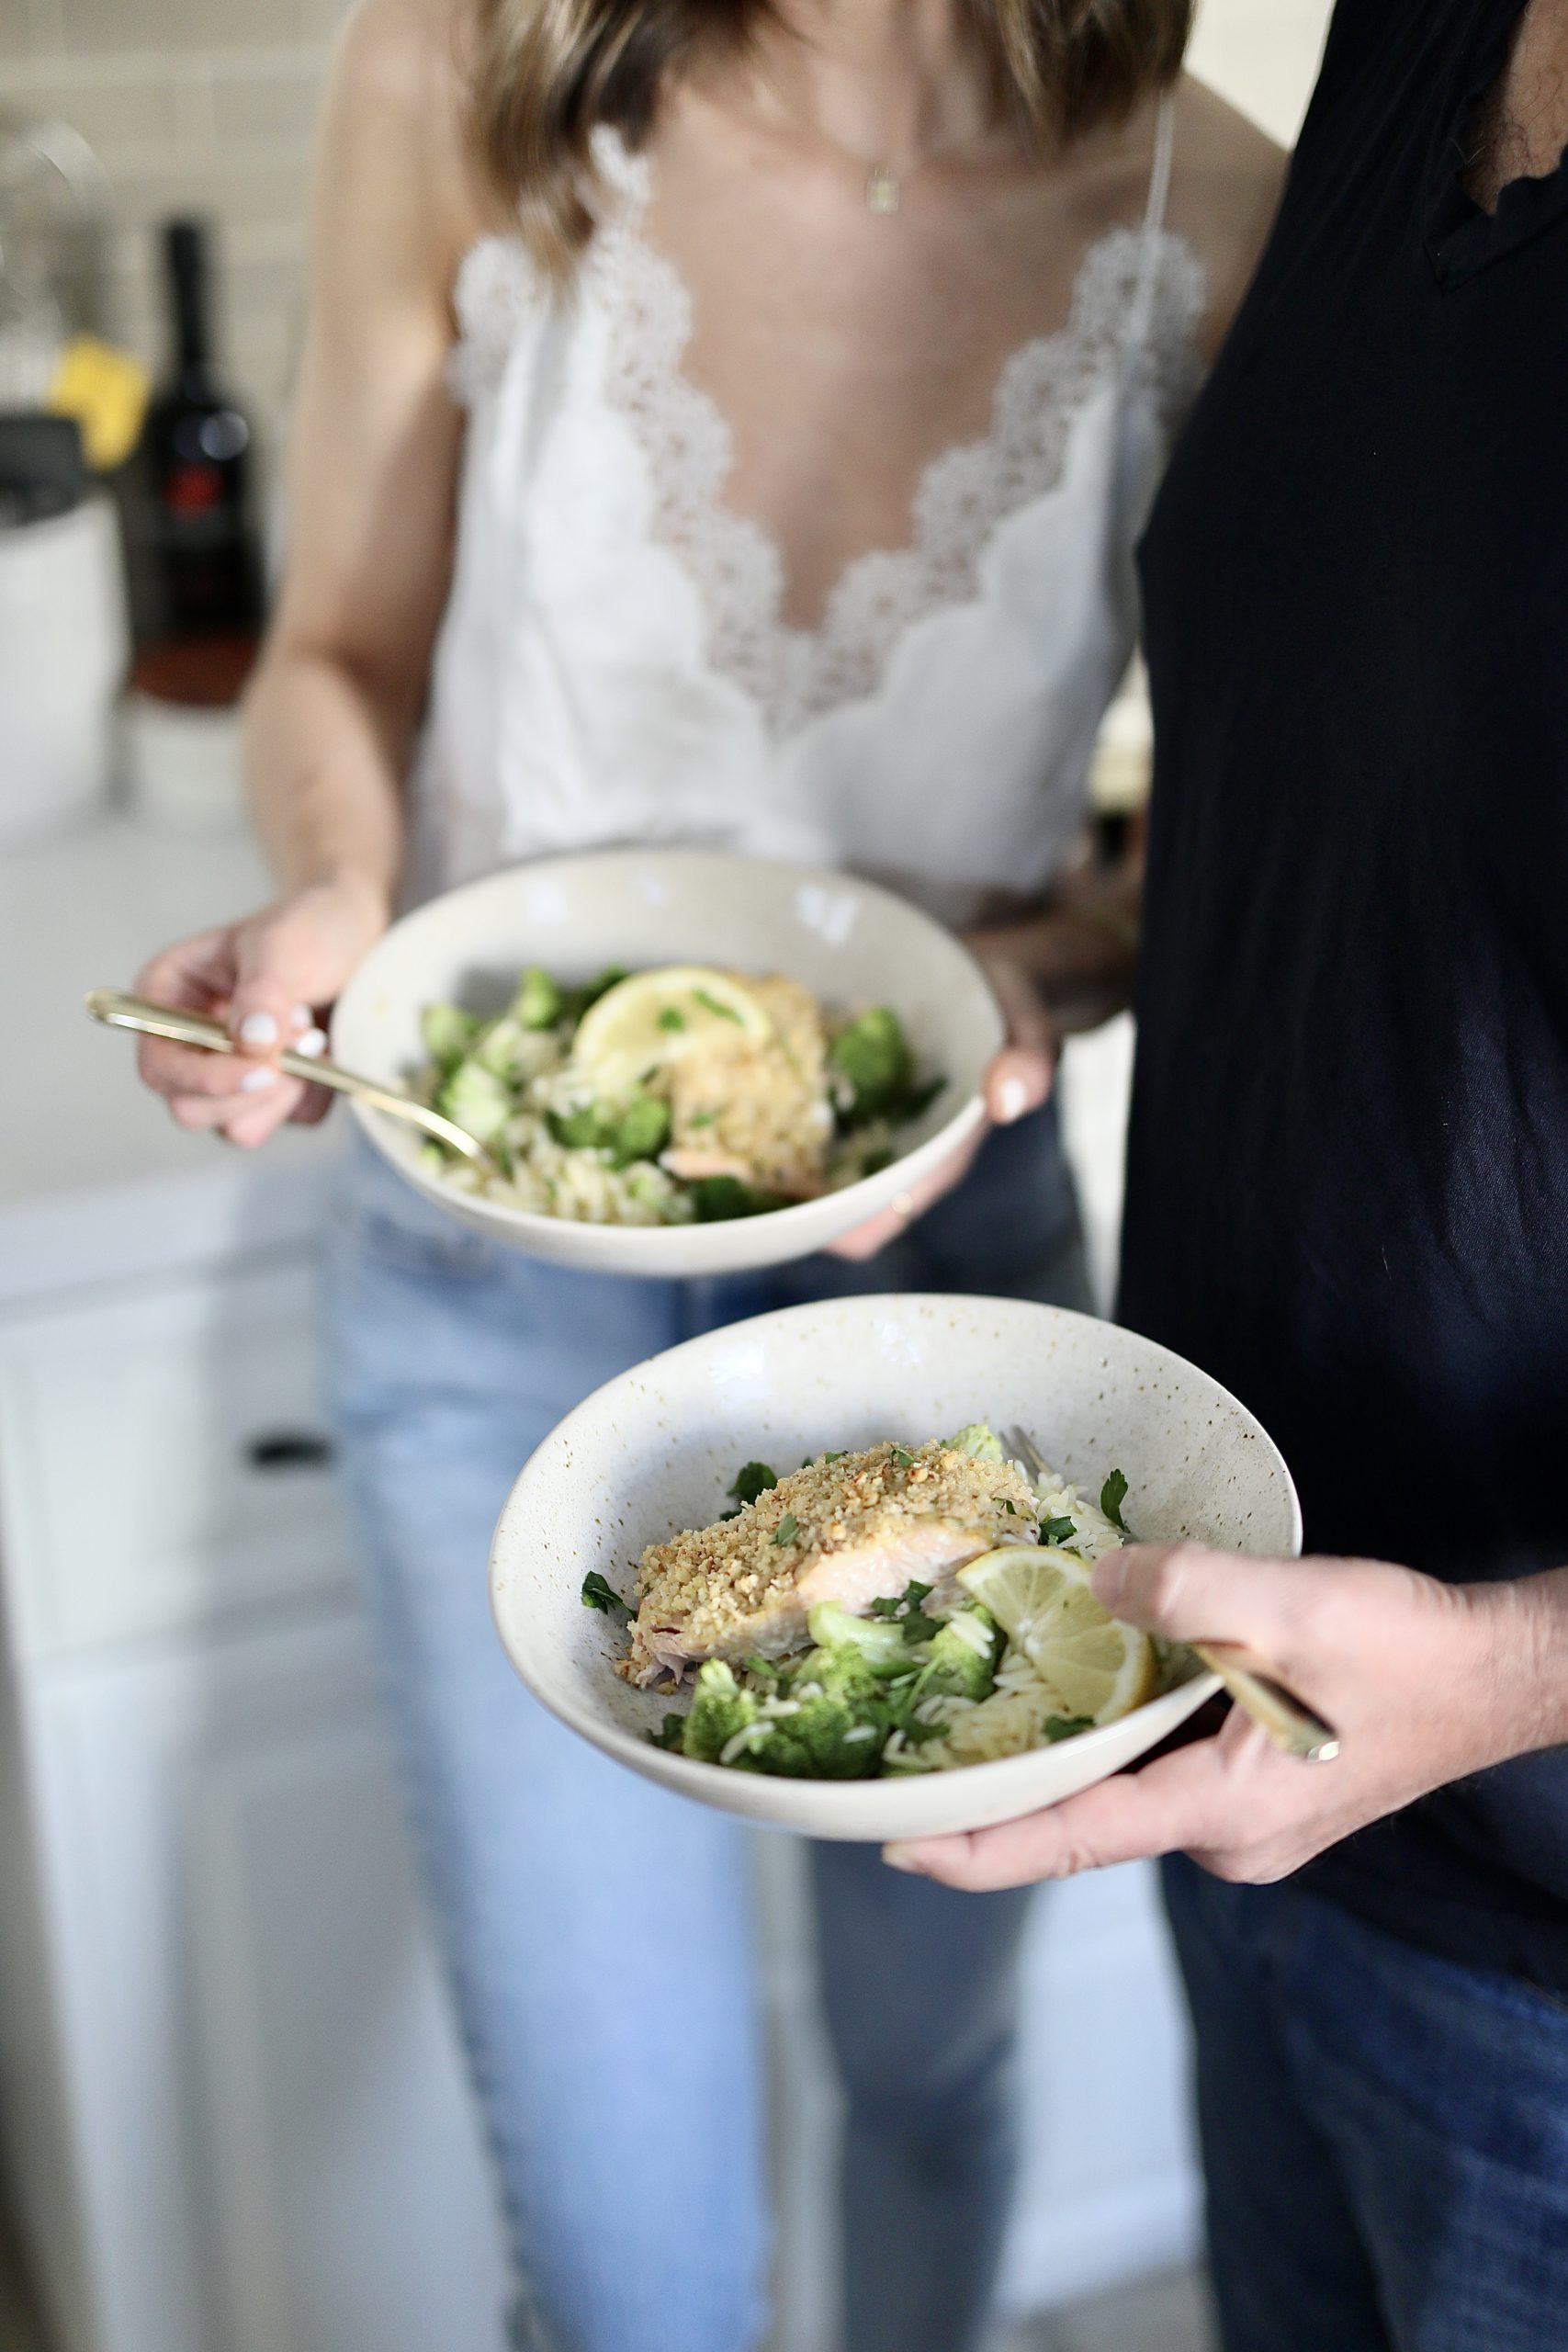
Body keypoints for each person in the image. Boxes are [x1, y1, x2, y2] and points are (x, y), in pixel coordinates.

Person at [129, 2, 1281, 2346]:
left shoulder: (1215, 205)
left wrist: (1028, 981)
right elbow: (327, 655)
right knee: (634, 2266)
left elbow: (1227, 847)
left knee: (930, 2080)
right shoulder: (461, 69)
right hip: (487, 1280)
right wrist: (343, 903)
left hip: (951, 1296)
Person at [891, 2, 1568, 2347]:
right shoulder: (1415, 41)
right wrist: (1062, 953)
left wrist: (1499, 1667)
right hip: (1246, 1762)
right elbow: (1366, 721)